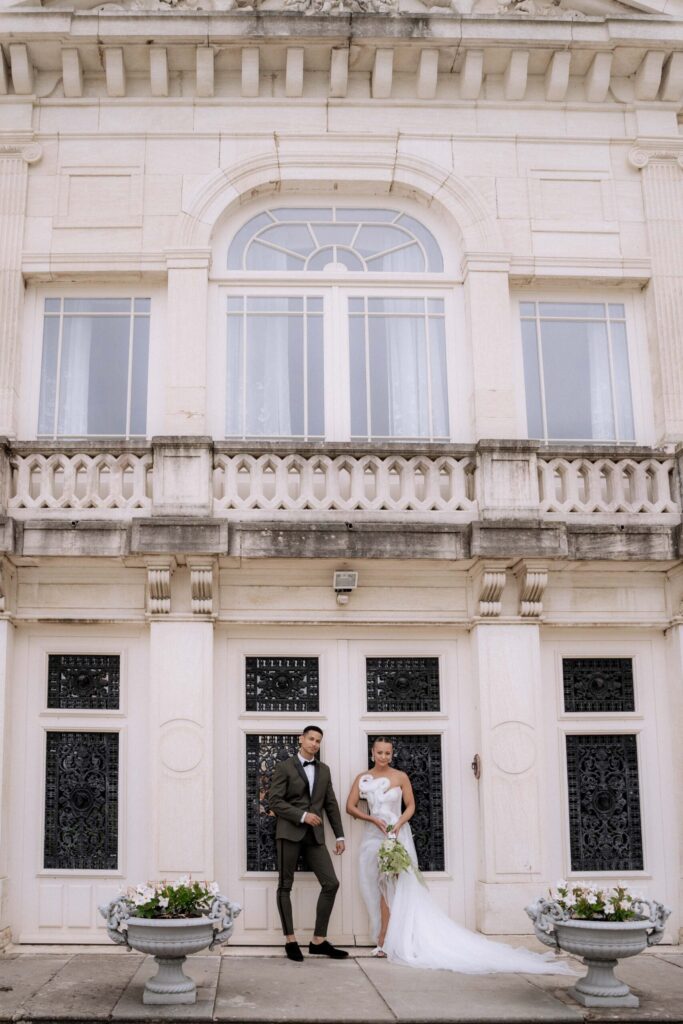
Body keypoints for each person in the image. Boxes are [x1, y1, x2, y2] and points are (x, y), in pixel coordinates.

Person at [346, 737, 574, 974]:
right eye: (380, 752)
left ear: (392, 754)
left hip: (396, 834)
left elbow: (410, 805)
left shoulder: (400, 776)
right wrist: (372, 819)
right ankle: (384, 934)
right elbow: (350, 806)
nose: (383, 757)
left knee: (391, 883)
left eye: (387, 753)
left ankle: (385, 939)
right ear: (372, 753)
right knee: (374, 885)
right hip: (372, 836)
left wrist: (399, 823)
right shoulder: (363, 778)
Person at [268, 725, 348, 962]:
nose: (314, 743)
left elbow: (330, 804)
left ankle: (318, 941)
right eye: (311, 739)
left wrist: (340, 835)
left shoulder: (324, 770)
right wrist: (302, 816)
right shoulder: (285, 767)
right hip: (289, 832)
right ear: (301, 739)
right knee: (285, 885)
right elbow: (274, 801)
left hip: (315, 836)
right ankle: (290, 941)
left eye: (318, 740)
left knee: (331, 883)